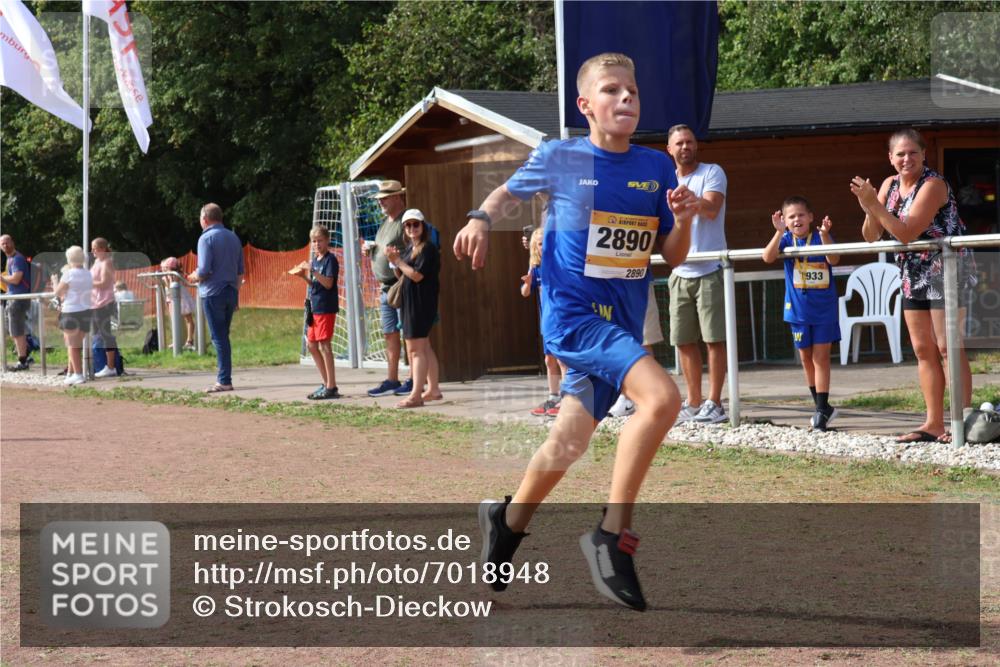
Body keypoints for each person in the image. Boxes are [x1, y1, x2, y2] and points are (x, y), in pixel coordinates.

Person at [453, 52, 698, 611]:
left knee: (567, 443)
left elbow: (674, 255)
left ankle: (506, 522)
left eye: (632, 90)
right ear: (585, 105)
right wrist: (480, 219)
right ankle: (612, 535)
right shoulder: (559, 156)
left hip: (622, 322)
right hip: (573, 317)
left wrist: (683, 220)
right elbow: (505, 194)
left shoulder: (658, 167)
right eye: (611, 90)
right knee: (662, 399)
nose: (626, 98)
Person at [851, 128, 977, 444]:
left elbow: (906, 233)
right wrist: (869, 207)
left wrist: (874, 205)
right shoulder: (888, 185)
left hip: (946, 267)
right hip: (912, 271)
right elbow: (871, 235)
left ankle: (961, 421)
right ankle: (933, 423)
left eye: (912, 153)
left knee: (948, 347)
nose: (906, 159)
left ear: (923, 155)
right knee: (923, 349)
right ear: (890, 158)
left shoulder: (933, 184)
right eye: (900, 154)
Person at [665, 124, 729, 424]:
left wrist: (692, 199)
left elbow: (712, 209)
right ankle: (693, 402)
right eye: (679, 143)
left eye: (689, 142)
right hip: (679, 270)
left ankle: (715, 403)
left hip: (710, 267)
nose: (685, 147)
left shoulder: (712, 172)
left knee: (714, 339)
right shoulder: (665, 181)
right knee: (683, 340)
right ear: (669, 149)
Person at [762, 197, 841, 431]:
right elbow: (767, 257)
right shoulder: (786, 239)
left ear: (810, 217)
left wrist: (825, 235)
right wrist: (778, 232)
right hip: (797, 310)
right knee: (806, 357)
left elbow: (834, 259)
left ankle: (821, 410)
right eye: (791, 217)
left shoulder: (819, 237)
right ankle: (821, 406)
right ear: (785, 221)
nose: (797, 220)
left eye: (801, 215)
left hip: (824, 309)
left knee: (821, 357)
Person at [385, 209, 442, 408]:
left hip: (420, 304)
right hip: (413, 303)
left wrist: (398, 261)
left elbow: (417, 276)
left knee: (415, 351)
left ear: (423, 226)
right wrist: (394, 263)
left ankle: (416, 395)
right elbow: (404, 277)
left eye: (415, 224)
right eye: (408, 225)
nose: (411, 228)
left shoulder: (427, 249)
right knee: (424, 347)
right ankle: (433, 390)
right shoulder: (411, 248)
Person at [187, 203, 244, 393]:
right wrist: (236, 294)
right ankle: (224, 377)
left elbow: (203, 270)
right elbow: (240, 271)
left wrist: (194, 276)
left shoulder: (206, 238)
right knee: (223, 337)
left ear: (205, 219)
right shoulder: (233, 237)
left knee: (218, 338)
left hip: (212, 293)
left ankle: (224, 380)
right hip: (230, 291)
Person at [365, 180, 414, 398]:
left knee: (409, 334)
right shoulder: (386, 222)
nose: (380, 202)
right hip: (385, 288)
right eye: (379, 199)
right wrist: (372, 251)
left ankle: (413, 379)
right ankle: (392, 379)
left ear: (397, 197)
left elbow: (415, 248)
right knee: (389, 333)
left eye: (384, 198)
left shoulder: (406, 221)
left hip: (401, 285)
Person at [291, 225, 341, 400]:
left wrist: (312, 270)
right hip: (315, 307)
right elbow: (316, 284)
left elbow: (328, 283)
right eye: (314, 241)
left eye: (320, 240)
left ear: (327, 241)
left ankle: (331, 386)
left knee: (325, 345)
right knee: (311, 345)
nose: (317, 244)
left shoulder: (330, 260)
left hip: (326, 307)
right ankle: (327, 382)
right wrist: (304, 276)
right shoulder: (315, 260)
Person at [521, 226, 565, 417]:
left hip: (561, 319)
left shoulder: (559, 262)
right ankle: (553, 396)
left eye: (546, 243)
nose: (543, 247)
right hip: (546, 321)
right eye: (539, 244)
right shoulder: (535, 267)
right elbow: (525, 292)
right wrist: (528, 283)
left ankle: (568, 398)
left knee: (563, 360)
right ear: (534, 247)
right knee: (549, 360)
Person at [52, 246, 93, 386]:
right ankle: (72, 372)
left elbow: (58, 292)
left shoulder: (69, 274)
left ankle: (78, 374)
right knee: (76, 345)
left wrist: (54, 282)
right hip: (86, 310)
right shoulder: (88, 273)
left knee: (72, 345)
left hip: (71, 311)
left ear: (69, 259)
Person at [0, 234, 32, 371]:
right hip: (13, 298)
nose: (5, 245)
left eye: (7, 242)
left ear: (12, 242)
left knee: (16, 330)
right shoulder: (10, 259)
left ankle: (23, 360)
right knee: (13, 329)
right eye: (2, 243)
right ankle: (25, 354)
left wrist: (1, 278)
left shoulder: (17, 258)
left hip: (18, 300)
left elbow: (16, 279)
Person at [89, 238, 119, 377]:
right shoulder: (97, 262)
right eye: (92, 248)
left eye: (94, 248)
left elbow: (105, 282)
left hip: (104, 302)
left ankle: (111, 366)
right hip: (95, 302)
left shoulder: (107, 262)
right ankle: (101, 363)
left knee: (106, 334)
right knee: (97, 334)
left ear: (102, 249)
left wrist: (88, 283)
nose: (92, 251)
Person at [160, 257, 196, 350]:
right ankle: (177, 340)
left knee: (188, 319)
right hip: (174, 299)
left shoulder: (175, 275)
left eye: (165, 267)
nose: (163, 269)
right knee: (175, 320)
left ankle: (189, 340)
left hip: (182, 298)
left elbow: (171, 287)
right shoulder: (169, 275)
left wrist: (166, 280)